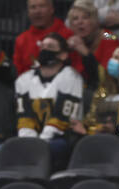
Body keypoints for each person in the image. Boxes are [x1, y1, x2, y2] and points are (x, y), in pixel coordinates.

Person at [13, 32, 85, 168]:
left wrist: (40, 143)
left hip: (62, 138)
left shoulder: (72, 77)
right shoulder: (23, 80)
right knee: (2, 151)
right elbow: (24, 117)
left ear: (63, 55)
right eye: (43, 47)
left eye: (50, 47)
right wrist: (29, 142)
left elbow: (61, 118)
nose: (45, 50)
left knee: (51, 149)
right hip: (34, 139)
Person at [65, 0, 119, 93]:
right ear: (71, 25)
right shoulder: (71, 42)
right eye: (75, 19)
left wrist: (85, 52)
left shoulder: (108, 35)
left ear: (95, 21)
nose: (80, 22)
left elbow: (107, 77)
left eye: (85, 18)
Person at [13, 0, 75, 76]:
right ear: (28, 12)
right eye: (33, 7)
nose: (37, 11)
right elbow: (18, 74)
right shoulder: (21, 40)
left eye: (42, 6)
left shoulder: (68, 35)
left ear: (52, 9)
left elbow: (75, 71)